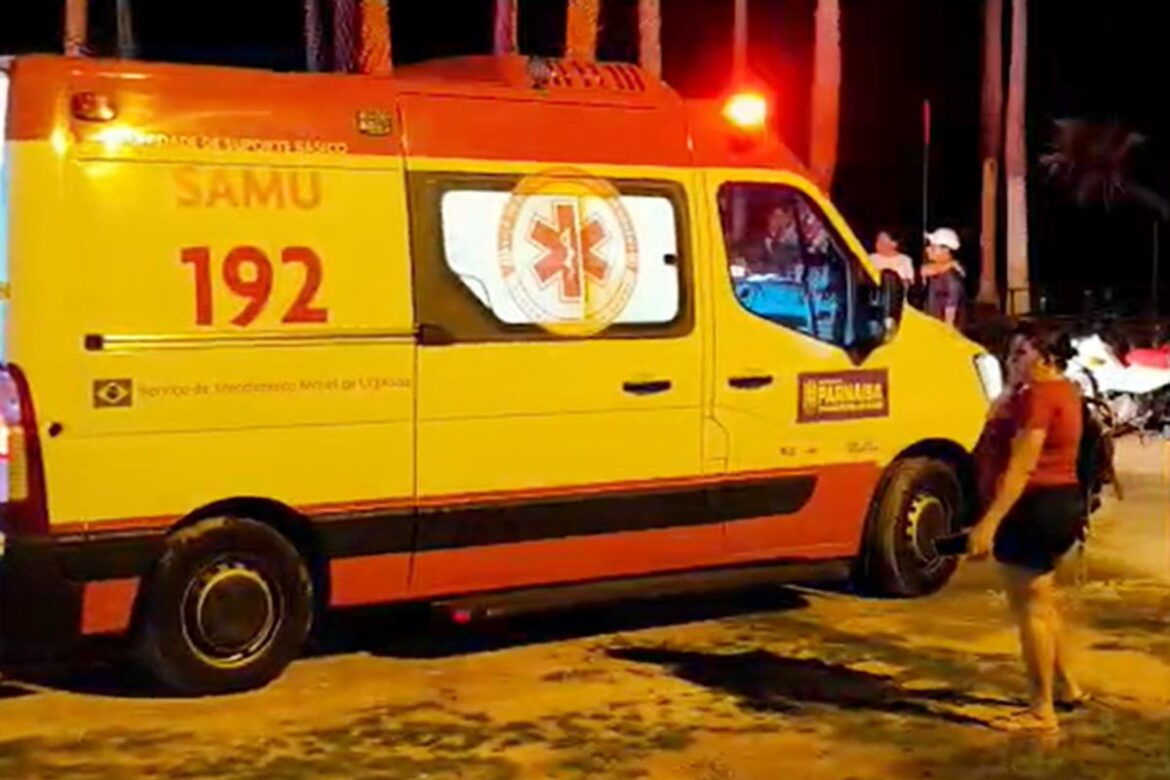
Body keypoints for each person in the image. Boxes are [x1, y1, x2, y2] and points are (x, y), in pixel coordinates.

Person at [968, 324, 1088, 733]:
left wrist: (989, 522)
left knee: (1031, 611)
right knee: (1043, 603)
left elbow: (1022, 466)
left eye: (1021, 353)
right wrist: (1007, 392)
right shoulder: (1061, 390)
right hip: (1060, 502)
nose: (1011, 360)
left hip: (1034, 507)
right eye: (1011, 352)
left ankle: (1041, 709)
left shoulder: (1038, 397)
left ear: (1047, 357)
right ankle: (1068, 687)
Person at [921, 228, 966, 327]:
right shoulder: (939, 270)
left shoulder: (951, 278)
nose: (927, 250)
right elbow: (923, 271)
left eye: (933, 248)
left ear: (945, 250)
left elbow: (950, 316)